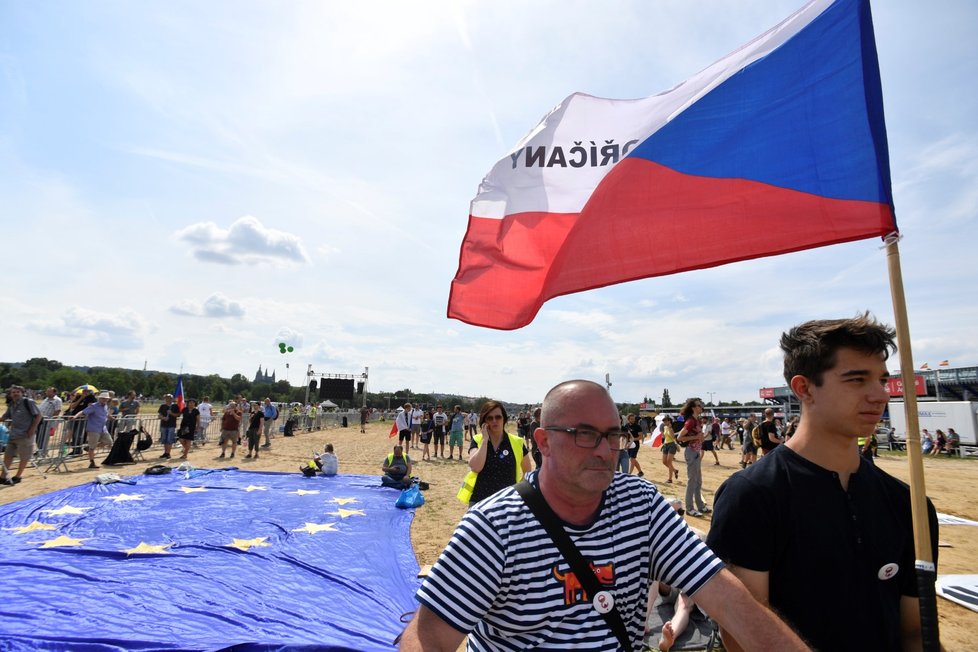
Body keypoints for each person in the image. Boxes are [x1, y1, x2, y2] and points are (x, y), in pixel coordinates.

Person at [398, 380, 807, 651]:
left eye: (612, 435)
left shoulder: (641, 506)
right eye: (584, 434)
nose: (604, 449)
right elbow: (427, 637)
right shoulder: (494, 528)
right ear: (544, 442)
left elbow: (728, 597)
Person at [707, 314, 939, 652]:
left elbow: (915, 632)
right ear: (804, 388)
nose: (880, 395)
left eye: (882, 380)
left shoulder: (909, 504)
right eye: (857, 380)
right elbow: (742, 636)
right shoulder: (752, 496)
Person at [457, 400, 531, 506]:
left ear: (504, 418)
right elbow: (476, 467)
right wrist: (485, 440)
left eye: (498, 417)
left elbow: (527, 471)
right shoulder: (478, 440)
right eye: (490, 418)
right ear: (484, 421)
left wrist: (516, 492)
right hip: (479, 502)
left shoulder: (517, 442)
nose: (494, 421)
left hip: (507, 503)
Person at [2, 386, 42, 484]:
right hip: (13, 434)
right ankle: (3, 477)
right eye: (13, 392)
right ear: (10, 394)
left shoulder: (28, 402)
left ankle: (18, 476)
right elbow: (5, 417)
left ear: (22, 392)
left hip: (25, 434)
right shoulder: (11, 404)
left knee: (24, 456)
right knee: (8, 455)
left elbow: (39, 415)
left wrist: (32, 429)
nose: (15, 394)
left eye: (17, 392)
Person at [677, 398, 709, 517]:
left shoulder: (697, 420)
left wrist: (701, 436)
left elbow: (699, 437)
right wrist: (695, 437)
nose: (701, 407)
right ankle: (689, 508)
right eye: (699, 405)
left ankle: (700, 506)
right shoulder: (690, 421)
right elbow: (680, 437)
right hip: (691, 452)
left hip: (696, 453)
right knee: (692, 481)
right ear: (693, 408)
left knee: (698, 481)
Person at [75, 391, 112, 469]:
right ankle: (92, 462)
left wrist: (110, 417)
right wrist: (75, 416)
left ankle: (90, 448)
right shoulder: (94, 406)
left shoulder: (105, 406)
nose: (105, 400)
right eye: (103, 398)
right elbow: (83, 412)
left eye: (106, 399)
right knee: (93, 447)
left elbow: (106, 414)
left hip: (103, 428)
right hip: (94, 428)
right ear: (100, 398)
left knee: (109, 442)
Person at [157, 394, 180, 459]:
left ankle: (168, 453)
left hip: (171, 425)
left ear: (172, 399)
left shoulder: (175, 406)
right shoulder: (162, 406)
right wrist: (163, 418)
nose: (168, 399)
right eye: (166, 398)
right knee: (164, 439)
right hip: (163, 425)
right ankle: (165, 452)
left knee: (169, 439)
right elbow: (159, 415)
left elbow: (178, 414)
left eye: (169, 398)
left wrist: (171, 413)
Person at [660, 415, 680, 484]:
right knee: (664, 462)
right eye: (664, 421)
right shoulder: (665, 427)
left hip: (671, 445)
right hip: (666, 444)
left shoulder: (672, 427)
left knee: (669, 462)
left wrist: (670, 428)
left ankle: (670, 479)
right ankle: (675, 471)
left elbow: (672, 436)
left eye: (666, 421)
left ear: (669, 421)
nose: (664, 422)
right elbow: (664, 436)